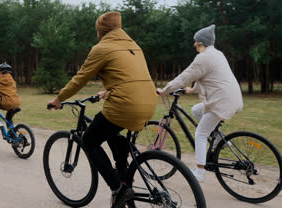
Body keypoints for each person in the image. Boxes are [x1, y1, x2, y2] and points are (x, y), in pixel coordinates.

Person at [47, 11, 158, 208]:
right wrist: (108, 91)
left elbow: (79, 79)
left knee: (89, 140)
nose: (96, 35)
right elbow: (129, 77)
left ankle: (118, 189)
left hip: (125, 106)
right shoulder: (134, 46)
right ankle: (126, 182)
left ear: (102, 30)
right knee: (113, 136)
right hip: (149, 102)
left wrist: (58, 99)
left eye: (97, 31)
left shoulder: (102, 48)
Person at [156, 24, 243, 183]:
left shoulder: (203, 57)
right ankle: (219, 140)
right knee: (197, 110)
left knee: (201, 134)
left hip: (221, 102)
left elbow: (185, 77)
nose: (194, 44)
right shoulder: (217, 54)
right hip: (231, 98)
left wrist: (165, 90)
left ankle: (199, 172)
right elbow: (209, 76)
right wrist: (192, 90)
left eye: (196, 41)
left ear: (201, 42)